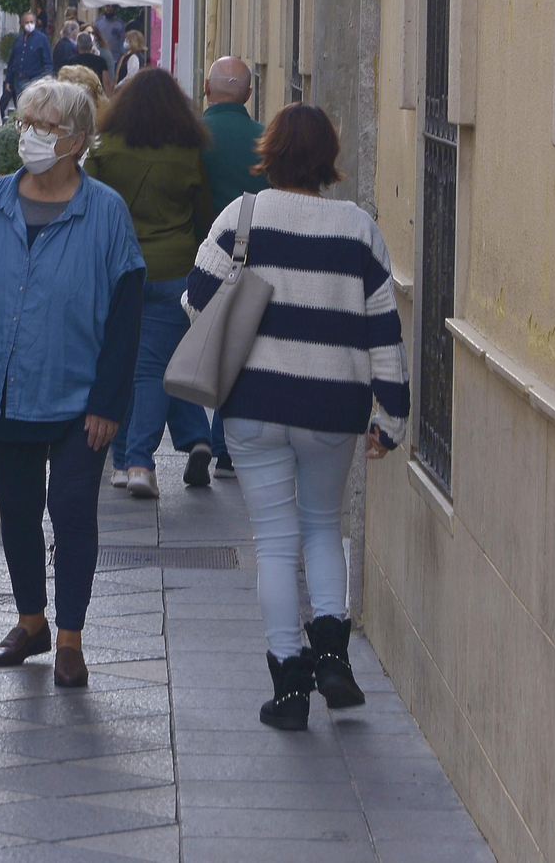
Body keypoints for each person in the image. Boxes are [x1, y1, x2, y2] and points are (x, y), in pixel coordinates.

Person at [183, 103, 409, 731]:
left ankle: (288, 688)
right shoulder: (359, 229)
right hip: (331, 409)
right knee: (322, 528)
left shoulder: (241, 217)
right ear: (329, 157)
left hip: (253, 408)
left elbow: (195, 302)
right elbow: (383, 332)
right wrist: (392, 417)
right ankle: (333, 657)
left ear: (270, 150)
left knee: (276, 545)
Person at [0, 80, 145, 689]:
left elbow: (127, 312)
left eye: (45, 126)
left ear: (77, 141)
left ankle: (70, 638)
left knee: (74, 509)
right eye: (26, 120)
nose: (29, 134)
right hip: (6, 390)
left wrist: (110, 401)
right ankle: (31, 621)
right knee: (21, 512)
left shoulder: (105, 210)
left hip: (81, 398)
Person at [84, 67, 215, 497]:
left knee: (121, 362)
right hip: (172, 269)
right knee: (152, 368)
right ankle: (137, 461)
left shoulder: (105, 148)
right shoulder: (188, 152)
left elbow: (89, 207)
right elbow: (203, 215)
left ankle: (126, 460)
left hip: (116, 267)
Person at [198, 56, 269, 477]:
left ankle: (191, 440)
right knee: (239, 351)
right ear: (247, 95)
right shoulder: (265, 139)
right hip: (256, 260)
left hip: (198, 257)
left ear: (207, 91)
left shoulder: (191, 137)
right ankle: (225, 446)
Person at [4, 12, 53, 115]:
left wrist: (47, 79)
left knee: (31, 109)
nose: (29, 24)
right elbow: (12, 60)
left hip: (33, 79)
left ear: (35, 23)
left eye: (31, 22)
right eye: (27, 22)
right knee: (20, 108)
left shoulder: (42, 39)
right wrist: (8, 80)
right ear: (22, 23)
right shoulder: (18, 39)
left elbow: (48, 61)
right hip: (18, 80)